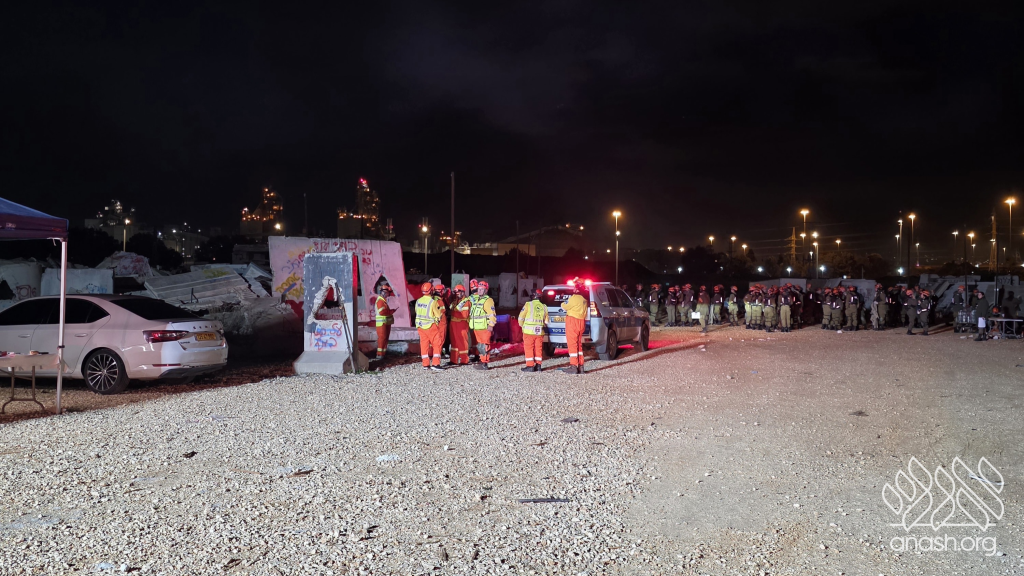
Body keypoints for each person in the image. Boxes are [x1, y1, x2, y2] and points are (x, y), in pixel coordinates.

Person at [414, 282, 445, 370]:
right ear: (431, 290)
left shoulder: (418, 301)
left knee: (424, 345)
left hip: (420, 326)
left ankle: (425, 364)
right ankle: (435, 364)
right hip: (431, 326)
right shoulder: (433, 302)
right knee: (437, 344)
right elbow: (438, 315)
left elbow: (417, 312)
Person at [561, 278, 589, 374]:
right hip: (581, 322)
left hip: (573, 322)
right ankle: (581, 366)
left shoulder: (574, 298)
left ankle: (573, 366)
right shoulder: (584, 299)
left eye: (574, 287)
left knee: (572, 344)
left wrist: (563, 302)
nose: (573, 289)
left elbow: (564, 306)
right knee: (578, 344)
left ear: (577, 288)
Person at [518, 288, 549, 372]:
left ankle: (530, 366)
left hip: (528, 332)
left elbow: (521, 317)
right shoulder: (544, 307)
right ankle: (538, 366)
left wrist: (522, 326)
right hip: (539, 332)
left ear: (534, 296)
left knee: (529, 348)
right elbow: (546, 321)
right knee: (538, 348)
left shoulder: (528, 304)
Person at [469, 280, 497, 370]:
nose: (480, 290)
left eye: (482, 289)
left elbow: (492, 314)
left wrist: (491, 325)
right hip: (477, 327)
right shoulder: (477, 299)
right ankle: (482, 361)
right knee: (480, 346)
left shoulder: (488, 300)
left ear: (486, 290)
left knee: (484, 346)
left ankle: (485, 363)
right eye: (479, 289)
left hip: (484, 328)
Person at [448, 284, 472, 366]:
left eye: (458, 292)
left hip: (462, 324)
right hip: (453, 324)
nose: (456, 294)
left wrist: (454, 313)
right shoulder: (456, 301)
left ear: (463, 292)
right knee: (454, 342)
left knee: (462, 341)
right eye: (455, 292)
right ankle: (453, 360)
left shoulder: (466, 301)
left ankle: (464, 360)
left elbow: (464, 315)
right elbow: (450, 309)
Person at [373, 283, 396, 360]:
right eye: (388, 293)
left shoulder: (383, 301)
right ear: (384, 292)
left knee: (384, 339)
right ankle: (379, 355)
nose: (389, 295)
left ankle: (382, 354)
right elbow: (382, 312)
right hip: (381, 324)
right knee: (382, 339)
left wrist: (390, 311)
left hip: (384, 323)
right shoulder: (380, 301)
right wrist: (391, 312)